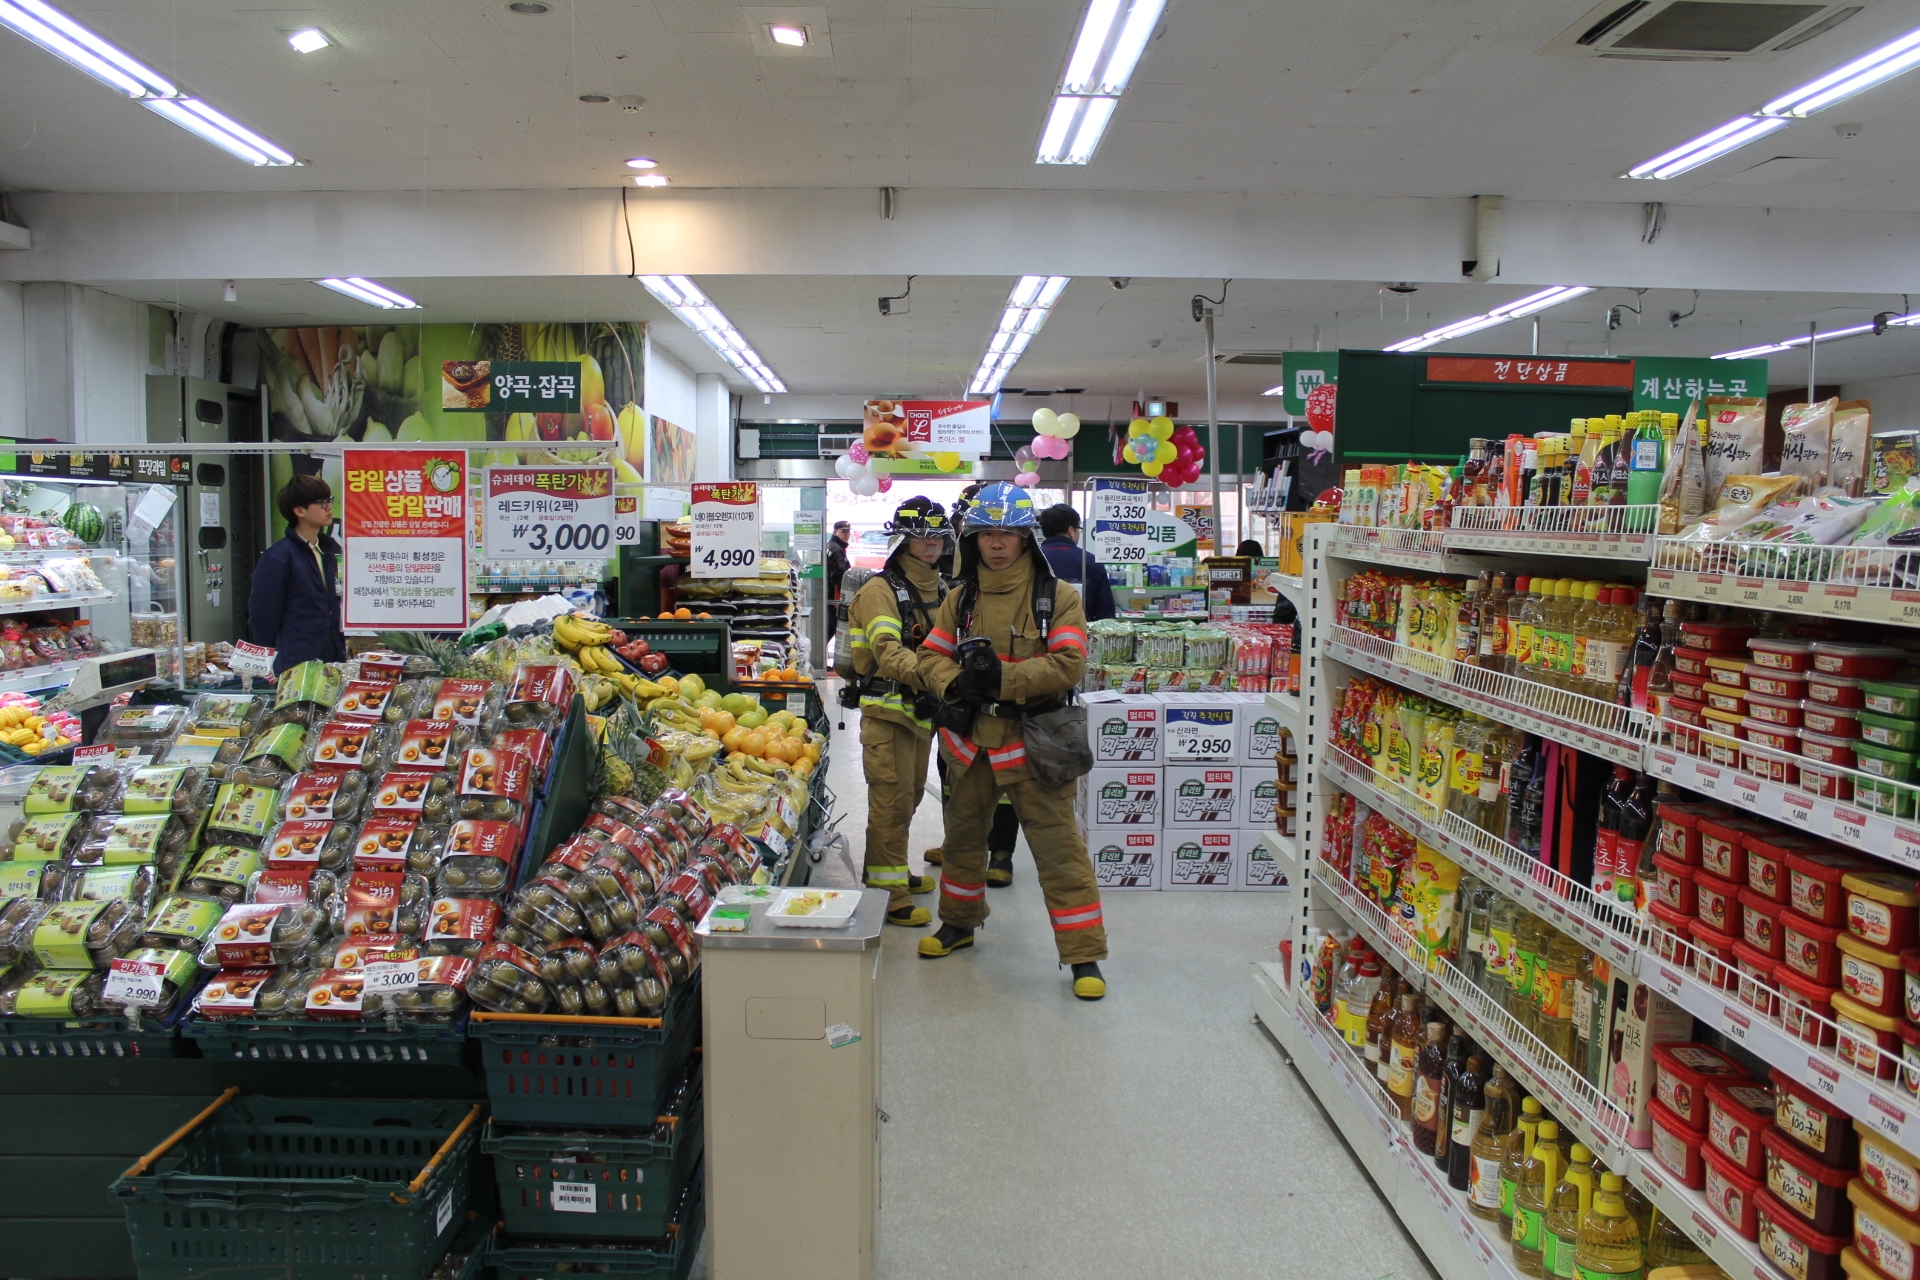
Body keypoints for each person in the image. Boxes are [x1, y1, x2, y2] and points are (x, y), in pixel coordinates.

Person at [917, 482, 1107, 1000]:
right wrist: (956, 682)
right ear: (973, 540)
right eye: (987, 534)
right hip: (971, 744)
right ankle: (958, 922)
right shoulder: (960, 599)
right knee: (961, 840)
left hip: (1035, 743)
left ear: (1026, 539)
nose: (997, 543)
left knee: (1059, 850)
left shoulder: (1058, 597)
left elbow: (1069, 663)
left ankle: (1084, 955)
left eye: (1007, 533)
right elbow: (930, 656)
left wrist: (1000, 678)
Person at [846, 498, 954, 926]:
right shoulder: (880, 590)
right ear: (904, 540)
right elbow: (888, 652)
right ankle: (887, 894)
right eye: (921, 537)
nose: (931, 544)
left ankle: (892, 870)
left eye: (938, 537)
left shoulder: (941, 588)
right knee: (891, 802)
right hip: (886, 713)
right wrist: (939, 678)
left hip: (921, 713)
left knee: (908, 798)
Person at [249, 474, 346, 675]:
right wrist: (270, 662)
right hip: (296, 663)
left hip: (330, 659)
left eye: (329, 500)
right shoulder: (278, 558)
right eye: (321, 503)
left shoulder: (325, 550)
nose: (329, 507)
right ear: (299, 510)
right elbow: (263, 617)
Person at [1038, 503, 1116, 623]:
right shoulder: (1091, 562)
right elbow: (1106, 616)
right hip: (1080, 631)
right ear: (1071, 531)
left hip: (1036, 631)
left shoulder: (1031, 559)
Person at [825, 520, 851, 640]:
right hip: (835, 596)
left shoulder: (832, 546)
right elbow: (839, 576)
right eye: (843, 531)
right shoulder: (836, 550)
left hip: (829, 594)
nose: (846, 534)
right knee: (833, 626)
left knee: (830, 627)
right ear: (835, 532)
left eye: (848, 532)